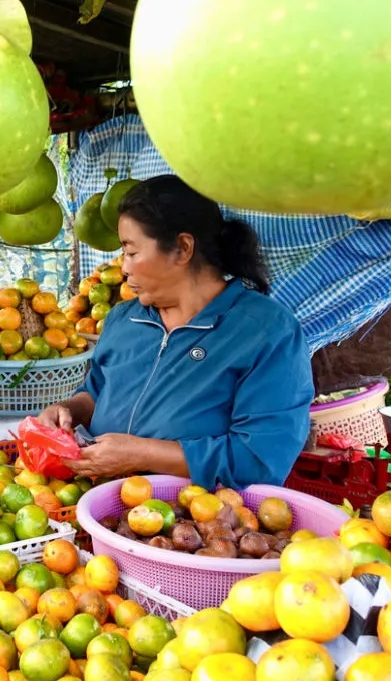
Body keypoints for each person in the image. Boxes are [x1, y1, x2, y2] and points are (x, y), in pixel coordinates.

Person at [39, 175, 312, 489]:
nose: (123, 268)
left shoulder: (266, 333)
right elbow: (97, 394)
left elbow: (260, 460)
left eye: (131, 252)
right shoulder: (123, 320)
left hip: (197, 527)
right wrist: (68, 411)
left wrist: (141, 454)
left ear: (182, 248)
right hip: (102, 507)